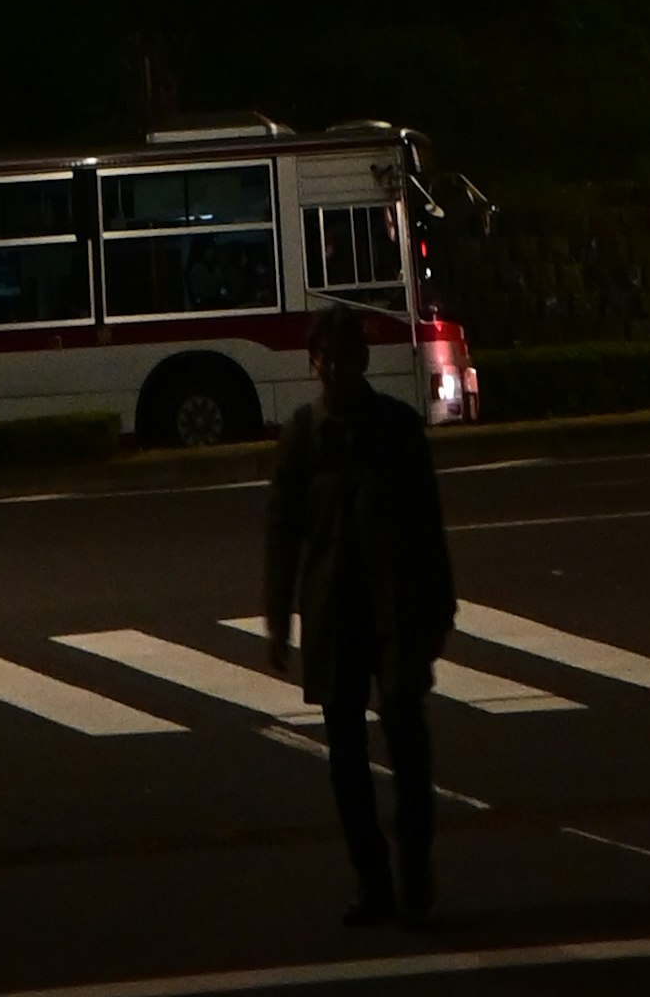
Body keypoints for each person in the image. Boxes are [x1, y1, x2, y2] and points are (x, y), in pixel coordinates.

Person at [261, 301, 456, 928]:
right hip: (331, 612)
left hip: (395, 606)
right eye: (323, 358)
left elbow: (428, 525)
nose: (333, 369)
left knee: (407, 744)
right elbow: (282, 534)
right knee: (346, 759)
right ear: (312, 363)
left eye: (344, 357)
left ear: (362, 360)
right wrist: (275, 617)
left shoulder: (397, 429)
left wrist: (439, 608)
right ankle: (373, 880)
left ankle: (415, 873)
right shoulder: (301, 437)